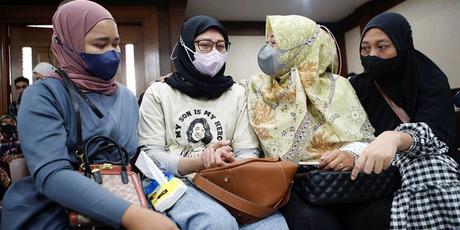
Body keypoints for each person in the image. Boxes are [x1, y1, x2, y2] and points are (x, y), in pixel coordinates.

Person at [1, 1, 176, 229]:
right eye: (100, 44)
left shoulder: (126, 97)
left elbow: (136, 159)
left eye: (116, 43)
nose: (111, 53)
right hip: (53, 208)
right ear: (67, 46)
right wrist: (133, 216)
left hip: (123, 194)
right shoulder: (42, 95)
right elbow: (52, 174)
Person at [138, 15, 288, 229]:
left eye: (220, 46)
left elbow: (247, 151)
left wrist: (231, 161)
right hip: (173, 180)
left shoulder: (238, 93)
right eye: (205, 46)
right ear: (186, 46)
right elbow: (150, 157)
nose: (214, 53)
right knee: (218, 223)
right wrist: (199, 162)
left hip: (227, 178)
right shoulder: (159, 93)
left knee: (273, 225)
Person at [246, 15, 391, 230]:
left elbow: (363, 138)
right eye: (267, 42)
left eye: (275, 43)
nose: (268, 49)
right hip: (289, 183)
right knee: (311, 220)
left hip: (342, 177)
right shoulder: (257, 87)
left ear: (297, 47)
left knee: (376, 213)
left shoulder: (338, 86)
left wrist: (349, 154)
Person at [349, 12, 460, 228]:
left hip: (429, 171)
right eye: (365, 48)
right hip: (377, 173)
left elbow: (440, 134)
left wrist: (397, 138)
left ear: (402, 46)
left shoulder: (430, 78)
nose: (371, 55)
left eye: (382, 47)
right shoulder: (358, 87)